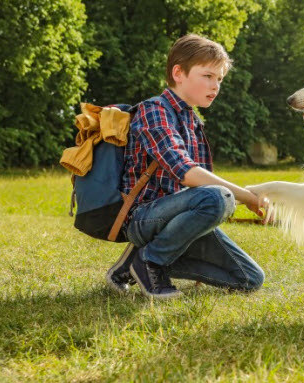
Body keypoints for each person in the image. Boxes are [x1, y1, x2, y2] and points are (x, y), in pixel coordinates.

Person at [105, 34, 266, 299]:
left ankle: (131, 265)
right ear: (178, 73)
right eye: (208, 76)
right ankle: (150, 262)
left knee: (249, 278)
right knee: (219, 197)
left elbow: (202, 188)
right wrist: (247, 197)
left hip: (176, 218)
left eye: (220, 79)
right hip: (143, 217)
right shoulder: (154, 110)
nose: (215, 86)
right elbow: (188, 174)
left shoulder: (194, 122)